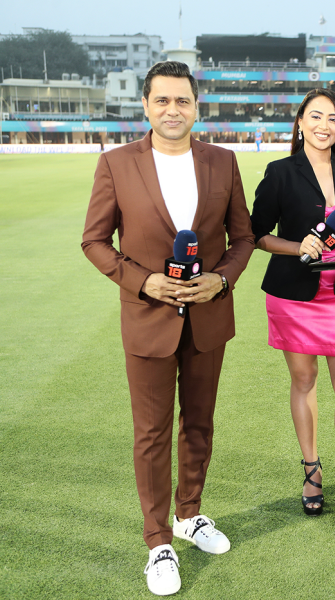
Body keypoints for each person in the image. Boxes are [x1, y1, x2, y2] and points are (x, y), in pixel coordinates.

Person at [81, 61, 255, 595]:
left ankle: (189, 515)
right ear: (146, 106)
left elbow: (243, 238)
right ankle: (158, 542)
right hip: (148, 321)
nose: (173, 110)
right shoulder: (116, 163)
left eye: (182, 101)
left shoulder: (223, 163)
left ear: (196, 106)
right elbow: (94, 242)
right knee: (152, 435)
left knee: (199, 426)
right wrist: (143, 283)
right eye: (163, 101)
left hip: (207, 321)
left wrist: (221, 282)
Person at [250, 88, 335, 527]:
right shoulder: (279, 172)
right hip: (292, 296)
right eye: (315, 116)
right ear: (300, 122)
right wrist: (297, 245)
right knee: (304, 381)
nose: (324, 126)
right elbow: (257, 233)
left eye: (333, 119)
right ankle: (312, 470)